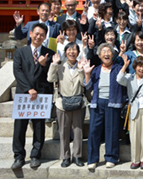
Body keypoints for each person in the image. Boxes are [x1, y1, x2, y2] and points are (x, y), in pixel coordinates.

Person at [11, 23, 55, 169]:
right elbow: (18, 72)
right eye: (36, 33)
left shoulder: (49, 53)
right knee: (19, 127)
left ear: (45, 37)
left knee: (39, 126)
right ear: (30, 34)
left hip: (41, 95)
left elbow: (49, 75)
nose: (38, 37)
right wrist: (29, 89)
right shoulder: (20, 52)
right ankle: (18, 156)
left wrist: (43, 65)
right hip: (24, 94)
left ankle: (36, 155)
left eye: (42, 35)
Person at [83, 43, 127, 169]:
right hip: (97, 102)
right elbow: (88, 86)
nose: (106, 54)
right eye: (104, 51)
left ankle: (111, 157)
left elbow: (124, 86)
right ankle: (92, 159)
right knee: (93, 131)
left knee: (112, 131)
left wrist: (122, 101)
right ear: (100, 55)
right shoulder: (96, 69)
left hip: (113, 103)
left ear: (113, 55)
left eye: (109, 51)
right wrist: (86, 74)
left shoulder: (118, 68)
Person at [47, 43, 88, 168]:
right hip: (62, 103)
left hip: (78, 103)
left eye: (74, 50)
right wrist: (54, 64)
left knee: (78, 131)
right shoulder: (60, 67)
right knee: (64, 131)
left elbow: (84, 83)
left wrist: (81, 70)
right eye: (69, 50)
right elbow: (50, 79)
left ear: (78, 52)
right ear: (65, 52)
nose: (72, 52)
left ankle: (77, 156)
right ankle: (65, 157)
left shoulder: (81, 66)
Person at [117, 55, 143, 170]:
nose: (141, 69)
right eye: (139, 66)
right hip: (134, 111)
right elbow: (119, 79)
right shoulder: (129, 78)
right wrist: (125, 66)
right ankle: (135, 160)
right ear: (135, 67)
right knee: (134, 136)